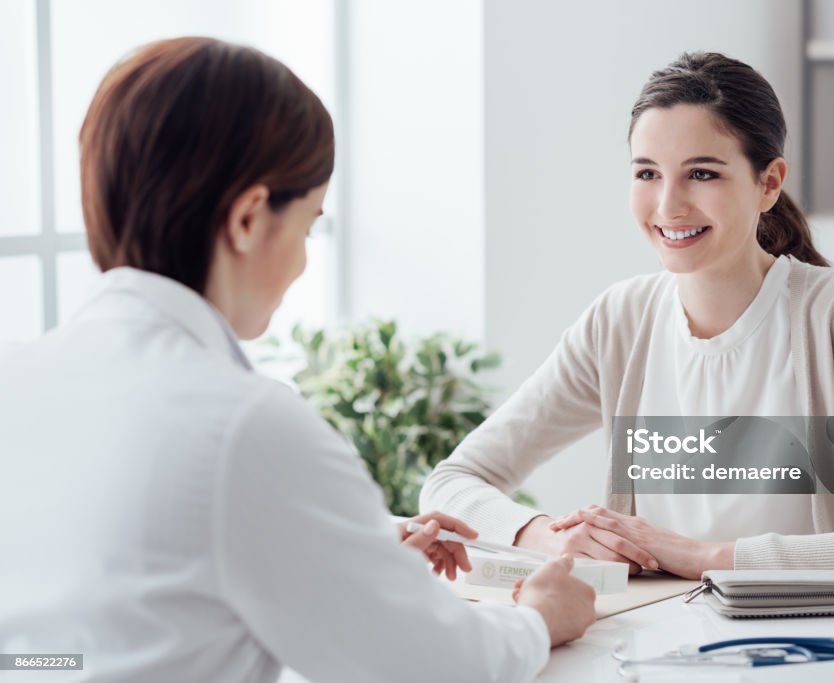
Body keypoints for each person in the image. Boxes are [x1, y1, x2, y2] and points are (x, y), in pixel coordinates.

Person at [0, 37, 595, 683]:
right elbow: (437, 665)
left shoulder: (17, 377)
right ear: (250, 219)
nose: (305, 260)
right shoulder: (243, 426)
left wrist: (342, 551)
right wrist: (538, 616)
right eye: (308, 224)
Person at [420, 52, 834, 592]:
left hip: (812, 646)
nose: (668, 206)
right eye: (647, 173)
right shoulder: (621, 320)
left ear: (768, 182)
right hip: (661, 639)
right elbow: (452, 482)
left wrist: (706, 559)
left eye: (702, 174)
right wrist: (548, 536)